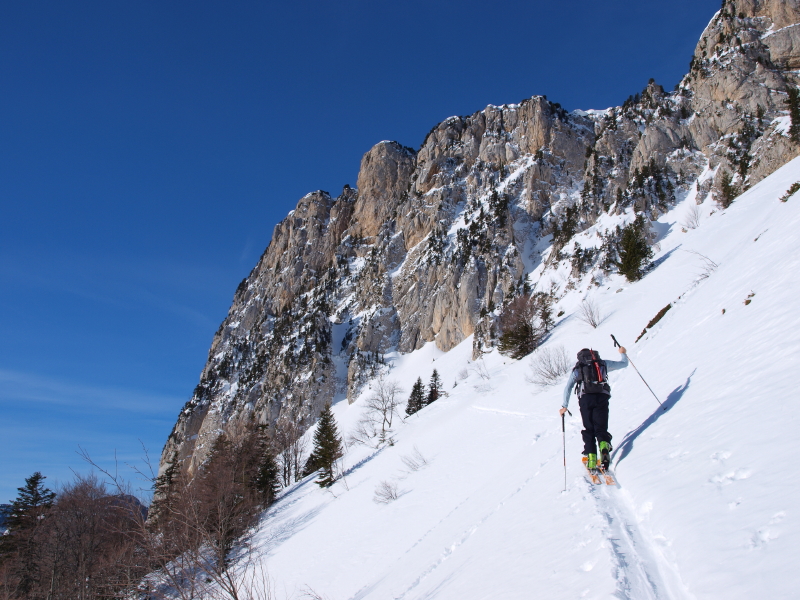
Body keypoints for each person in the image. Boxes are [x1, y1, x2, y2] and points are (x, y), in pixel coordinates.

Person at [559, 346, 628, 471]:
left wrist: (564, 406)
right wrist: (623, 353)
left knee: (589, 427)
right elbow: (624, 364)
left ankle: (591, 456)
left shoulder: (578, 368)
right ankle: (603, 445)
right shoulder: (603, 363)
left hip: (585, 399)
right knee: (601, 426)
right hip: (602, 396)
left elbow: (568, 387)